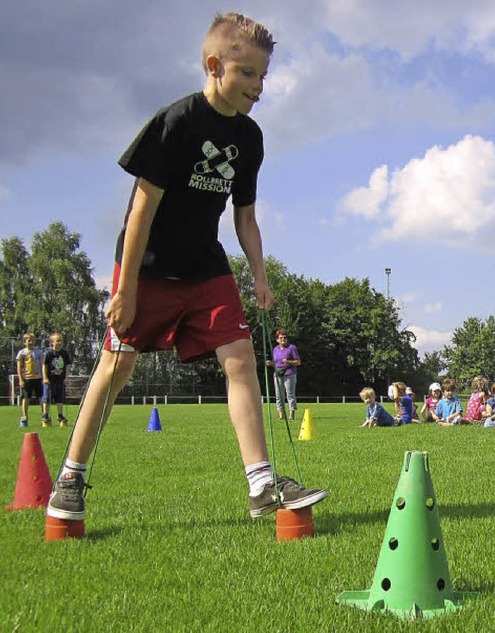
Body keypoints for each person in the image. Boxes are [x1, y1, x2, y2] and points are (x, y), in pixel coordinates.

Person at [47, 13, 327, 524]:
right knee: (118, 366)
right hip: (147, 267)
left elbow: (245, 216)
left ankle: (262, 484)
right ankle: (70, 478)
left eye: (264, 76)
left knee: (240, 357)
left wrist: (260, 275)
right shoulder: (175, 123)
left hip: (204, 266)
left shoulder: (251, 138)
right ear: (215, 65)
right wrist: (127, 289)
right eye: (247, 73)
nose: (258, 86)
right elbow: (140, 211)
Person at [267, 330, 300, 420]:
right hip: (277, 374)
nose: (283, 339)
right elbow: (276, 363)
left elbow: (298, 362)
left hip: (289, 373)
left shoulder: (291, 348)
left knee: (290, 394)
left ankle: (291, 414)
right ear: (277, 340)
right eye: (281, 338)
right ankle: (281, 414)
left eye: (285, 338)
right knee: (278, 395)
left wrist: (289, 361)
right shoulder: (275, 349)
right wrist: (271, 363)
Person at [42, 332, 73, 427]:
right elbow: (44, 366)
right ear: (52, 342)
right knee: (47, 398)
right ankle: (46, 415)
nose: (59, 342)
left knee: (60, 398)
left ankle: (60, 415)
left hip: (60, 379)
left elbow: (67, 365)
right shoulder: (48, 353)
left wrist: (66, 377)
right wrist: (45, 378)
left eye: (61, 341)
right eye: (57, 341)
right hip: (50, 380)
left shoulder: (64, 353)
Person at [16, 333, 45, 427]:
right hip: (27, 379)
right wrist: (21, 380)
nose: (31, 342)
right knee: (26, 398)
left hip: (38, 378)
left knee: (41, 397)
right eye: (29, 340)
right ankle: (24, 416)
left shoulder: (39, 352)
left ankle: (44, 415)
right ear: (24, 342)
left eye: (33, 340)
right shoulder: (22, 353)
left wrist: (44, 378)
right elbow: (19, 368)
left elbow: (43, 365)